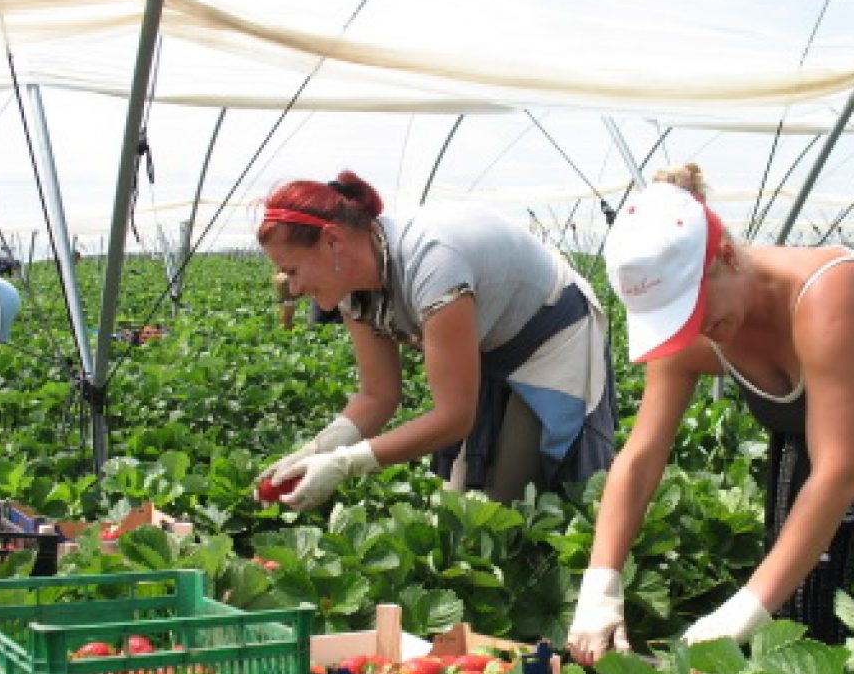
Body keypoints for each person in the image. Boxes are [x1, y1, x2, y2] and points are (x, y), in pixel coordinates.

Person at [567, 163, 854, 661]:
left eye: (695, 308)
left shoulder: (825, 297)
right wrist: (600, 583)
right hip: (811, 422)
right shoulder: (688, 337)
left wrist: (741, 609)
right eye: (676, 320)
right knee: (793, 613)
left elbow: (836, 474)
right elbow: (641, 457)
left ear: (724, 256)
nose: (695, 328)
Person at [254, 171, 616, 509]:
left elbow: (455, 417)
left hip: (548, 339)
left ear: (333, 241)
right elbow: (377, 396)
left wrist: (345, 464)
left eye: (292, 270)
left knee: (509, 502)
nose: (294, 288)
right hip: (487, 342)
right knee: (460, 507)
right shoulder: (351, 284)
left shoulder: (434, 264)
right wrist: (318, 449)